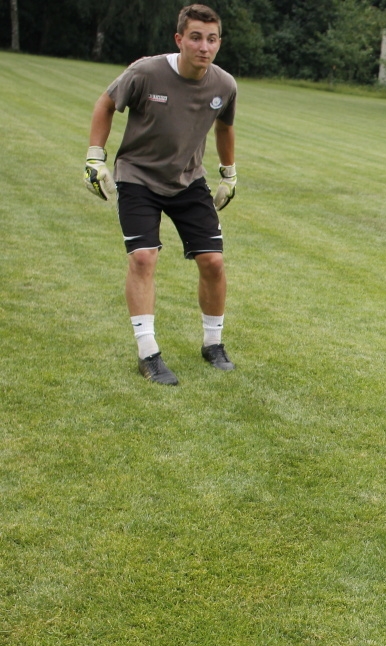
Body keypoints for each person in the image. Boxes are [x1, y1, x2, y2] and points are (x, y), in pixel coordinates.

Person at [84, 4, 239, 385]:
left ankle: (213, 344)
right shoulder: (146, 72)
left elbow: (224, 126)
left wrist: (229, 174)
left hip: (188, 180)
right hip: (138, 177)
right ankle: (148, 353)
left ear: (219, 42)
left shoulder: (224, 85)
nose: (204, 46)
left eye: (212, 38)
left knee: (214, 262)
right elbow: (106, 103)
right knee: (142, 257)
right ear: (180, 39)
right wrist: (94, 157)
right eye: (196, 37)